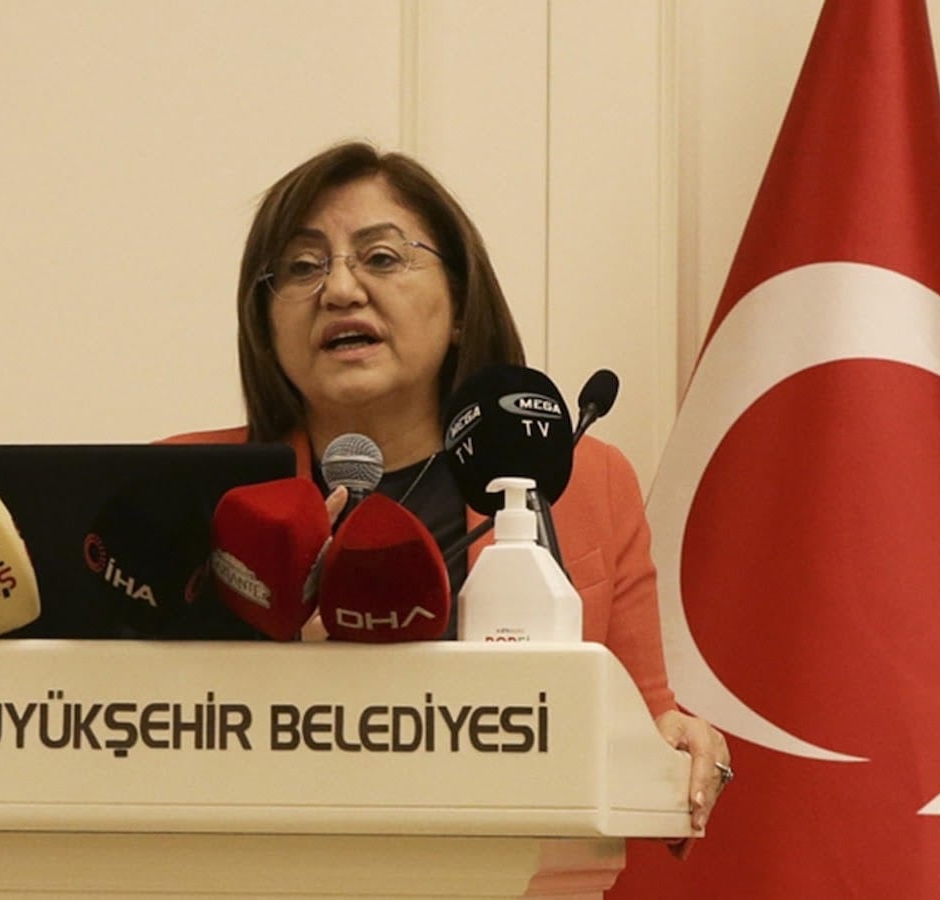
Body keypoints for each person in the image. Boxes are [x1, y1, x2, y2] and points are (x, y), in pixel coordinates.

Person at [168, 140, 731, 849]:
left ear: (461, 303)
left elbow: (645, 726)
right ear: (264, 321)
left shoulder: (582, 481)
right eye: (303, 266)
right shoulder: (192, 488)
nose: (338, 289)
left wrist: (681, 749)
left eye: (380, 257)